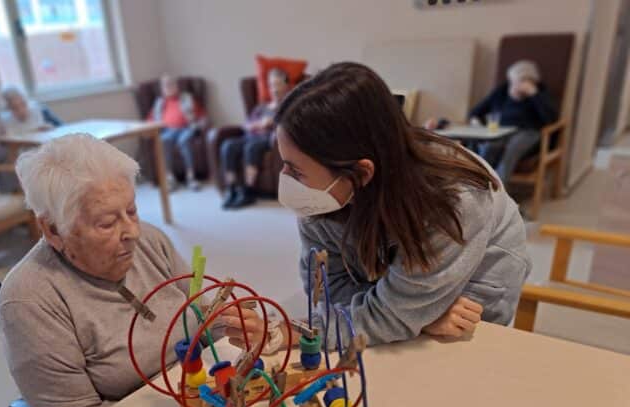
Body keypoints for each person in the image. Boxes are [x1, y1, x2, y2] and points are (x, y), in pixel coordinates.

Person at [219, 62, 532, 351]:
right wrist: (411, 317)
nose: (285, 180)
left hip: (474, 280)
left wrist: (289, 332)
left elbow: (389, 316)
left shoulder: (456, 199)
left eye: (295, 169)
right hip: (392, 277)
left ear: (360, 173)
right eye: (285, 164)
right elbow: (327, 295)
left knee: (453, 362)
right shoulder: (322, 196)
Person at [0, 134, 192, 407]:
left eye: (132, 211)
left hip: (194, 389)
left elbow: (206, 316)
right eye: (106, 223)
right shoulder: (29, 299)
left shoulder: (150, 240)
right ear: (53, 230)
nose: (133, 233)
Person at [468, 60, 557, 183]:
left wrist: (534, 94)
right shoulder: (502, 91)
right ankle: (478, 184)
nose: (518, 85)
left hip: (529, 131)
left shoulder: (540, 93)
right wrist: (476, 124)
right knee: (490, 147)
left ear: (533, 82)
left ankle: (499, 191)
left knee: (511, 150)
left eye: (524, 81)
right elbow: (476, 112)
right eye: (515, 81)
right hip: (501, 130)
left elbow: (551, 119)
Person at [220, 68, 291, 209]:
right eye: (271, 85)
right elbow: (246, 124)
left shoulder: (288, 106)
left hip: (267, 139)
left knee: (251, 147)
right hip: (250, 135)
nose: (274, 89)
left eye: (278, 84)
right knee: (228, 145)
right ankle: (232, 189)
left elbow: (288, 124)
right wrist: (253, 125)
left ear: (286, 86)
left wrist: (272, 122)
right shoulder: (261, 107)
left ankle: (248, 191)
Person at [0, 86, 63, 192]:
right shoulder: (4, 120)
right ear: (8, 108)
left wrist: (50, 127)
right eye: (15, 108)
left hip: (46, 151)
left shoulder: (41, 110)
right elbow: (5, 144)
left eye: (23, 104)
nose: (21, 110)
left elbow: (62, 129)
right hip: (24, 157)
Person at [149, 75, 206, 190]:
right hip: (167, 130)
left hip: (186, 128)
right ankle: (170, 178)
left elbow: (202, 116)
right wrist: (153, 126)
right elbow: (150, 119)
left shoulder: (187, 98)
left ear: (177, 86)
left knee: (184, 140)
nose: (169, 87)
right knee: (163, 141)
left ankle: (191, 177)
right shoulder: (159, 102)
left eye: (171, 84)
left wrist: (197, 123)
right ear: (162, 89)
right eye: (165, 85)